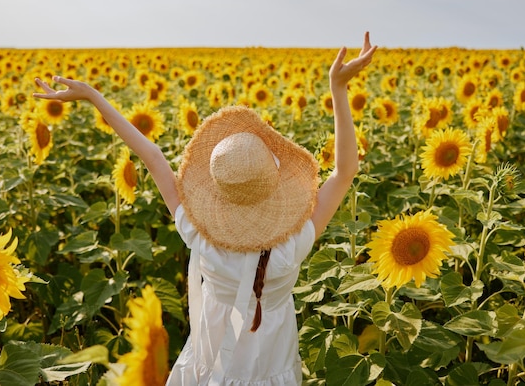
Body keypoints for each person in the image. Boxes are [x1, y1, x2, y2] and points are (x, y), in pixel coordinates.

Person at [33, 32, 377, 385]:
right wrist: (338, 88)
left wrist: (94, 97)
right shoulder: (293, 243)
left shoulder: (199, 232)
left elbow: (150, 155)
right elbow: (345, 171)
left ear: (217, 189)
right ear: (273, 185)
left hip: (210, 365)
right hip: (273, 365)